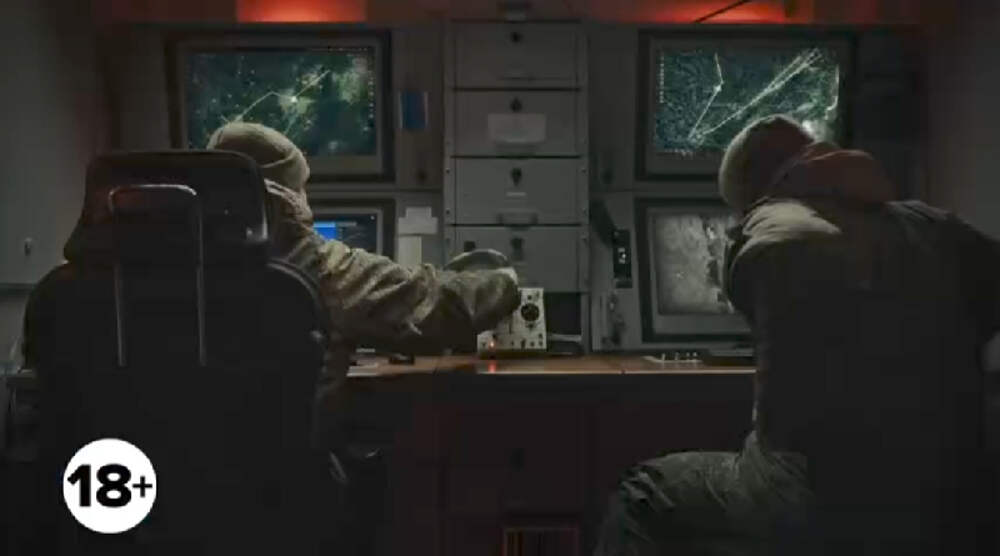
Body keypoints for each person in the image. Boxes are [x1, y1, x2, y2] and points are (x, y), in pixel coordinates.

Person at [593, 115, 998, 555]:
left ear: (751, 195)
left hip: (818, 496)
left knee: (642, 494)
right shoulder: (930, 222)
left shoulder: (774, 221)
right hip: (952, 498)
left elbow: (781, 260)